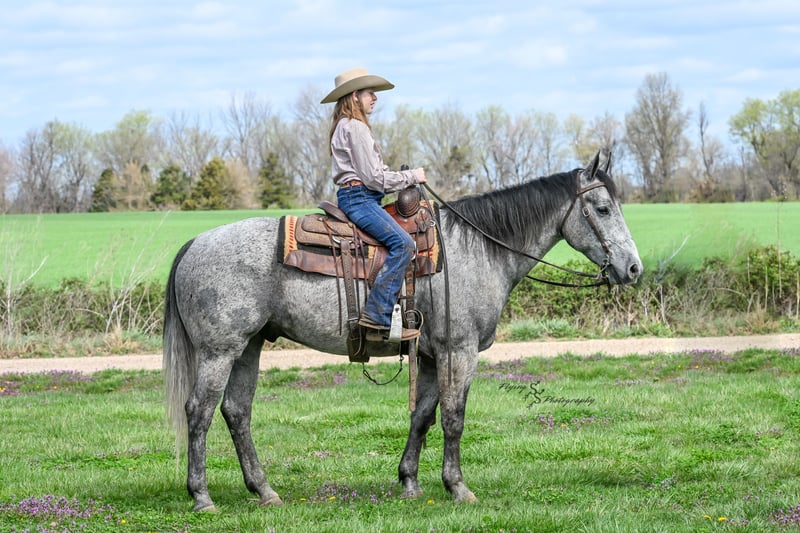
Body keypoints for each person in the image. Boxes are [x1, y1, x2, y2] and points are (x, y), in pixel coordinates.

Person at [321, 67, 426, 341]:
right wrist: (412, 176)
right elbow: (374, 178)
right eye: (370, 93)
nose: (375, 98)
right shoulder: (355, 127)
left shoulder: (344, 125)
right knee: (404, 244)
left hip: (357, 196)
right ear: (355, 96)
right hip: (360, 198)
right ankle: (377, 315)